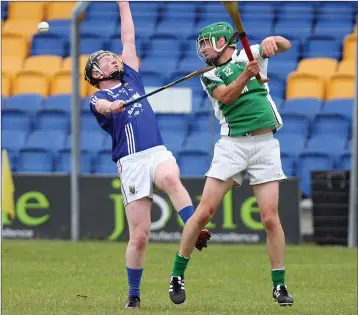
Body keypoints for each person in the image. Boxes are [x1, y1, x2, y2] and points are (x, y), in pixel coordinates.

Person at [84, 2, 211, 310]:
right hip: (130, 163)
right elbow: (99, 107)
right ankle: (133, 295)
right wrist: (111, 107)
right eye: (102, 60)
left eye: (109, 57)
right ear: (94, 73)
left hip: (155, 151)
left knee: (169, 176)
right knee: (139, 238)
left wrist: (123, 3)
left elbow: (129, 37)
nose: (110, 59)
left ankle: (192, 228)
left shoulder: (132, 78)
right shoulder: (98, 96)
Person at [168, 22, 294, 307]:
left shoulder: (252, 54)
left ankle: (280, 285)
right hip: (232, 146)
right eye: (200, 45)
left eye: (205, 43)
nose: (202, 49)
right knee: (204, 213)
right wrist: (247, 75)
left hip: (265, 146)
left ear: (223, 40)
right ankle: (177, 275)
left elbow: (285, 45)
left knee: (270, 219)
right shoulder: (210, 74)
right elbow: (226, 96)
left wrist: (275, 40)